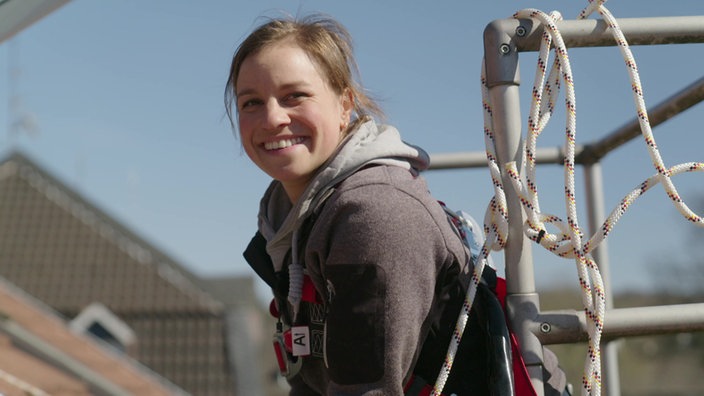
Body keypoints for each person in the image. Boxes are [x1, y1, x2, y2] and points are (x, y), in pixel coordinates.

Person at [224, 14, 514, 396]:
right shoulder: (291, 224)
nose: (273, 117)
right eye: (251, 102)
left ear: (344, 104)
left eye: (294, 96)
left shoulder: (376, 213)